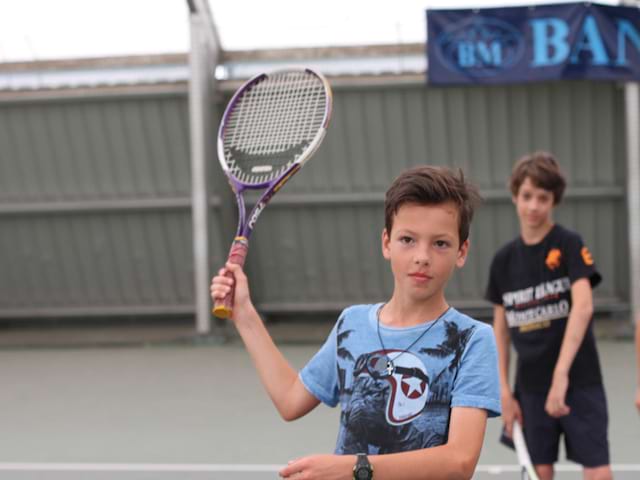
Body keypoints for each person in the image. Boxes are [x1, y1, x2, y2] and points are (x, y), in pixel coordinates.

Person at [211, 166, 500, 480]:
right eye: (408, 239)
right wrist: (244, 314)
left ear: (462, 251)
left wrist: (355, 467)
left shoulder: (473, 339)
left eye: (440, 243)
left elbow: (459, 461)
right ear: (386, 243)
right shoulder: (352, 323)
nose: (422, 256)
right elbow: (290, 400)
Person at [486, 152, 612, 480]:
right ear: (515, 195)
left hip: (579, 380)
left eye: (543, 198)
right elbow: (501, 329)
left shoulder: (569, 244)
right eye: (527, 196)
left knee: (598, 472)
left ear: (553, 201)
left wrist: (561, 376)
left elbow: (583, 307)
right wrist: (504, 390)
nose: (533, 206)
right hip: (530, 388)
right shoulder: (503, 261)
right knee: (539, 472)